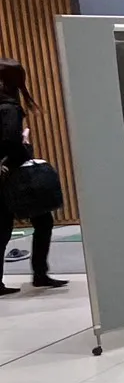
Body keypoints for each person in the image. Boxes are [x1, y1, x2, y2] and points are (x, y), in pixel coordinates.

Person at [0, 58, 67, 294]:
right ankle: (40, 273)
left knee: (6, 227)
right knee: (39, 222)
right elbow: (11, 143)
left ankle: (38, 274)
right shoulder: (9, 108)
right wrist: (26, 145)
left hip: (5, 173)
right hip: (10, 175)